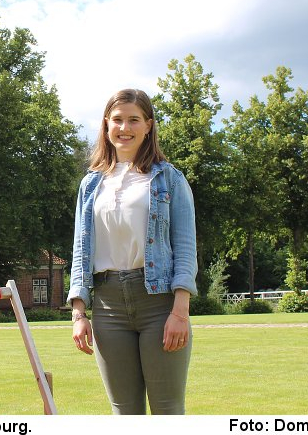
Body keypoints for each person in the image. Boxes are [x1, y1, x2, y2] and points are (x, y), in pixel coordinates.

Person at [68, 88, 198, 415]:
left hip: (159, 304)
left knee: (168, 409)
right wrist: (79, 312)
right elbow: (81, 249)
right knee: (124, 412)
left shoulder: (170, 178)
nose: (124, 128)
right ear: (106, 125)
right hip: (108, 308)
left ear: (148, 125)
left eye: (133, 120)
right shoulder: (91, 184)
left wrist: (179, 312)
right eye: (117, 120)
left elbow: (185, 247)